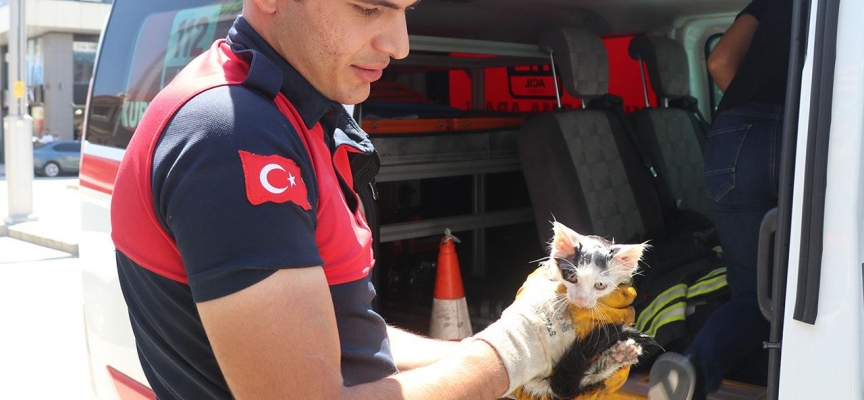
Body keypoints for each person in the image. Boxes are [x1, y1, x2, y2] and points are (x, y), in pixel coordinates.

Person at [110, 1, 583, 399]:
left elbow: (344, 338)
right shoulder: (233, 135)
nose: (400, 45)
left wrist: (526, 352)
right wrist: (513, 354)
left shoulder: (291, 112)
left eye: (405, 10)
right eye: (369, 8)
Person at [648, 1, 793, 399]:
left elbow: (720, 61)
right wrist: (788, 120)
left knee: (752, 292)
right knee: (812, 278)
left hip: (736, 135)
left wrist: (756, 111)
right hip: (806, 132)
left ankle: (692, 370)